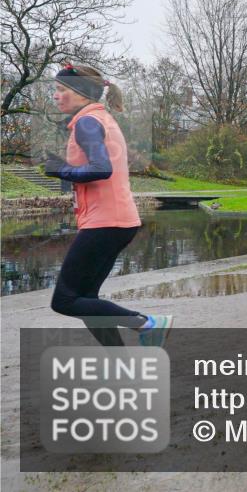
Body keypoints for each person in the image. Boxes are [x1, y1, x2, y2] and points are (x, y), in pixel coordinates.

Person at [44, 64, 172, 347]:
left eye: (61, 89)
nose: (56, 95)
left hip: (105, 222)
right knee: (86, 299)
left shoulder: (87, 123)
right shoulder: (100, 119)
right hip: (117, 221)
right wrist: (65, 168)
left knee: (65, 300)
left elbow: (101, 169)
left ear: (80, 93)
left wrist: (60, 171)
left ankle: (148, 323)